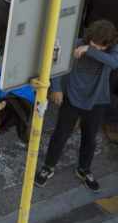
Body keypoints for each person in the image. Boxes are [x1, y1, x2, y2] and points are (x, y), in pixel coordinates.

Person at [37, 19, 118, 192]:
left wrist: (89, 50)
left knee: (90, 138)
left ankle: (84, 169)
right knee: (60, 134)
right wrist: (57, 88)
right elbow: (57, 65)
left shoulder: (112, 50)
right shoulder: (75, 44)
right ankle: (48, 167)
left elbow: (114, 63)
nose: (96, 48)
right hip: (72, 98)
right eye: (92, 44)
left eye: (100, 47)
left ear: (109, 44)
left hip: (97, 101)